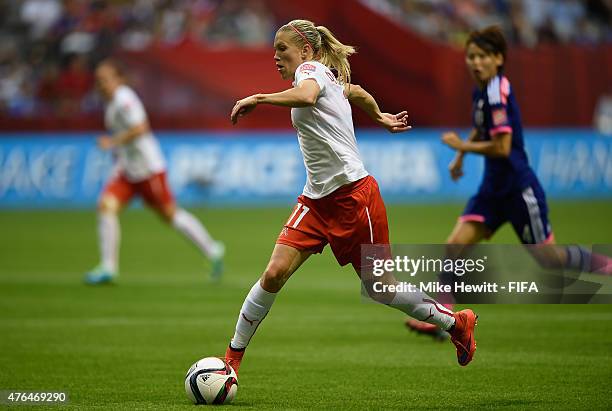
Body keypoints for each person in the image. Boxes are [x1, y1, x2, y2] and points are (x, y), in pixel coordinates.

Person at [222, 19, 479, 374]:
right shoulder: (325, 74)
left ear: (306, 51)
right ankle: (231, 360)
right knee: (273, 273)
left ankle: (456, 323)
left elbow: (308, 96)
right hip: (315, 201)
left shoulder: (309, 72)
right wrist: (379, 116)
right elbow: (353, 91)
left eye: (282, 50)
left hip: (355, 197)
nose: (276, 58)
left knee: (382, 289)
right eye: (274, 52)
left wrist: (258, 97)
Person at [407, 25, 612, 338]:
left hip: (518, 190)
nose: (476, 63)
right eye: (471, 56)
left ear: (499, 58)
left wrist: (461, 147)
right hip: (492, 190)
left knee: (550, 259)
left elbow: (502, 147)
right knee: (453, 247)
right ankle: (443, 323)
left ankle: (606, 265)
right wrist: (461, 157)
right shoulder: (481, 91)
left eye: (483, 57)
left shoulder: (497, 92)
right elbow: (482, 128)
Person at [84, 59, 224, 284]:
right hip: (128, 171)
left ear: (118, 79)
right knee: (106, 207)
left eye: (106, 79)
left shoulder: (124, 99)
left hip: (148, 169)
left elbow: (141, 127)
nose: (102, 84)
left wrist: (112, 142)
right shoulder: (111, 103)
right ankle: (108, 267)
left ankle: (212, 249)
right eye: (99, 80)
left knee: (170, 215)